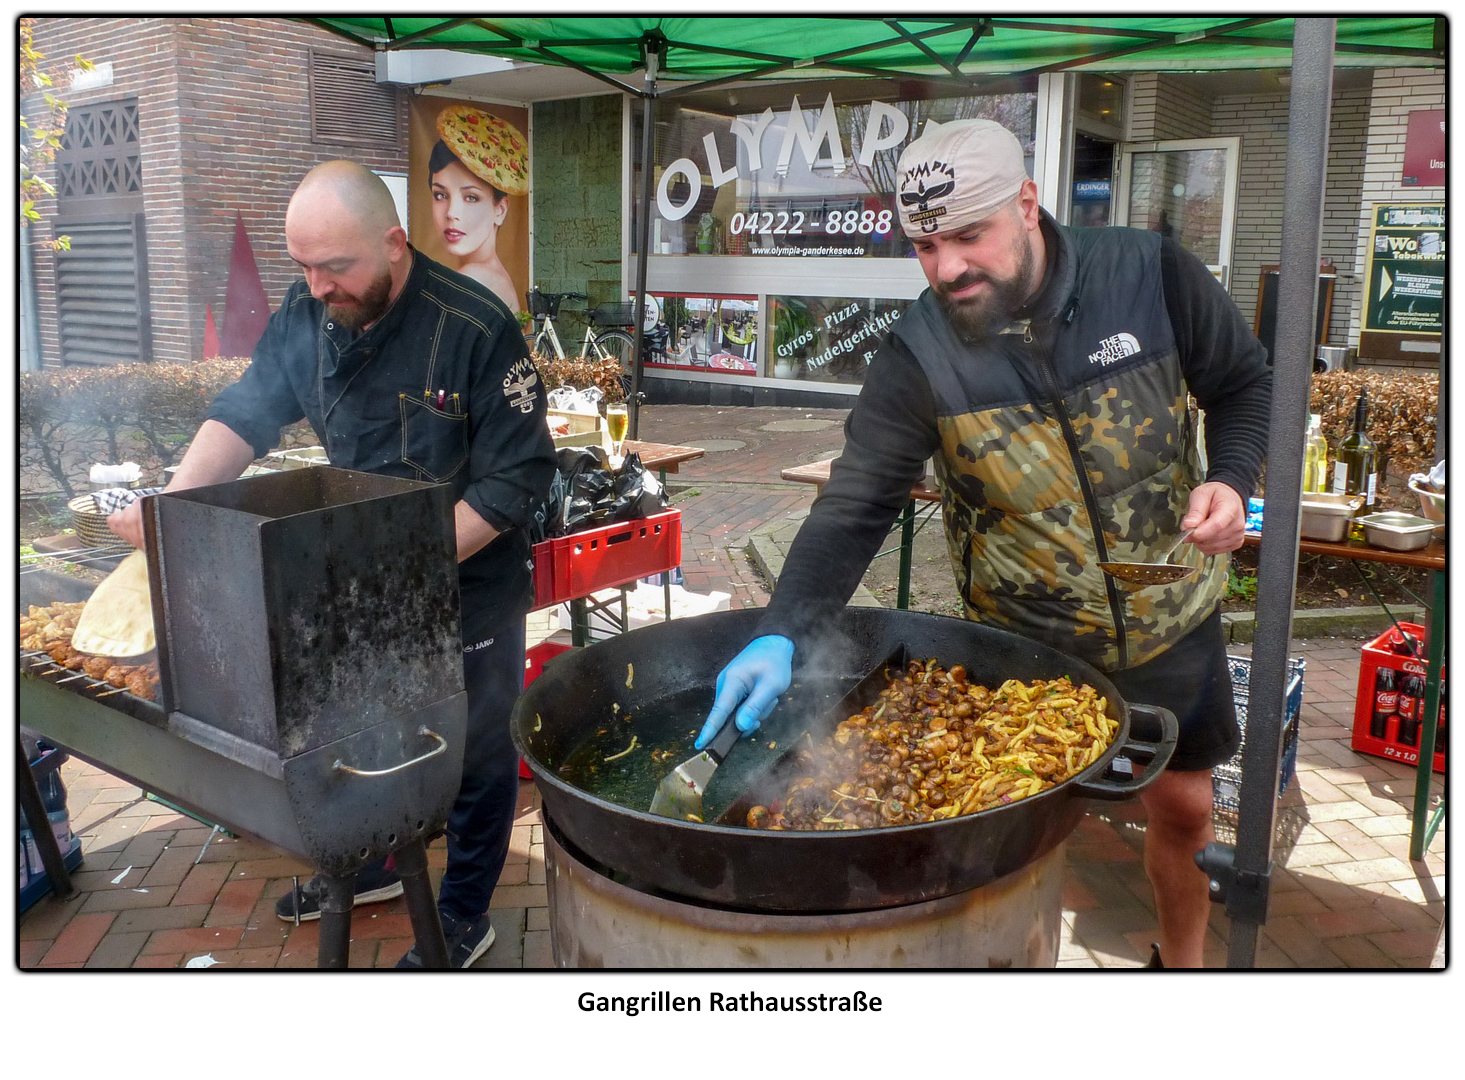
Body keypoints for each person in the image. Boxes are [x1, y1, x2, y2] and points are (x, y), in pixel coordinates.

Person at [697, 119, 1272, 969]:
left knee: (1185, 808)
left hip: (1166, 608)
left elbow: (1242, 383)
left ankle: (1181, 969)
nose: (946, 268)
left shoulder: (1146, 273)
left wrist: (1229, 477)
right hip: (1021, 635)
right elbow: (856, 503)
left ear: (1027, 205)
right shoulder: (917, 351)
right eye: (924, 245)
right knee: (1012, 814)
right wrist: (781, 627)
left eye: (969, 235)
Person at [108, 160, 557, 969]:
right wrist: (167, 512)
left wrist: (406, 571)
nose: (318, 287)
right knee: (363, 727)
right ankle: (372, 862)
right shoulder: (305, 311)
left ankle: (463, 913)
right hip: (359, 577)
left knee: (474, 753)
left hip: (468, 582)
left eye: (336, 267)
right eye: (304, 267)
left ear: (394, 243)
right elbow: (245, 414)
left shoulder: (474, 326)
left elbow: (514, 480)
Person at [428, 105, 529, 315]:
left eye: (471, 197)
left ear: (500, 210)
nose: (451, 213)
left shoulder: (472, 278)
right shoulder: (496, 275)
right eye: (440, 195)